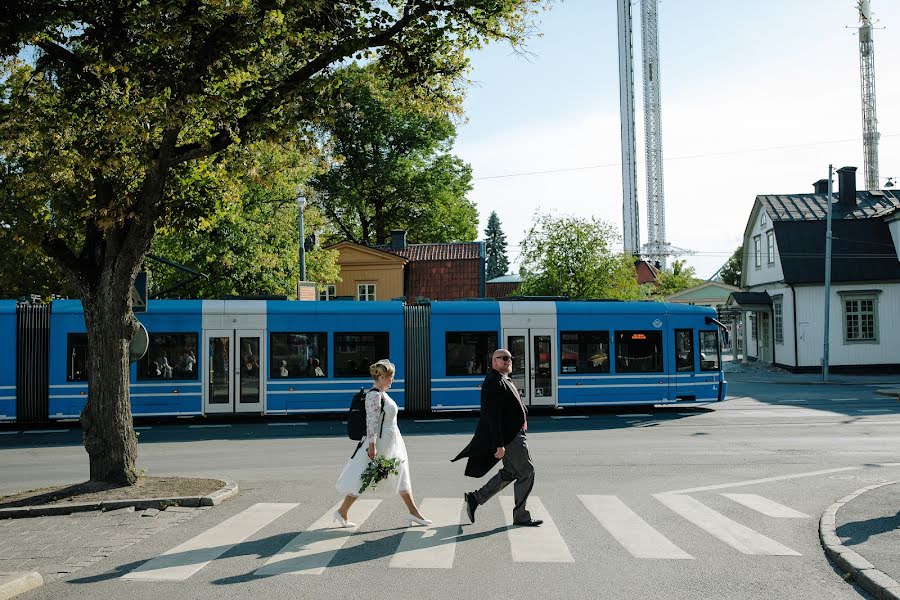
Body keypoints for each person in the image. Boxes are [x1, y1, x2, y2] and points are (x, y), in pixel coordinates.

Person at [334, 359, 431, 528]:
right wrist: (372, 446)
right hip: (380, 443)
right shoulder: (374, 395)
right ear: (382, 377)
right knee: (363, 477)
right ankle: (342, 511)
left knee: (401, 475)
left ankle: (414, 512)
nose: (392, 380)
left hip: (391, 442)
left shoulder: (383, 394)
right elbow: (371, 422)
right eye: (390, 377)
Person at [452, 348, 542, 527]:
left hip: (514, 434)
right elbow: (491, 416)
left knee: (511, 472)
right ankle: (521, 516)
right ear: (494, 361)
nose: (508, 361)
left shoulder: (503, 379)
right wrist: (499, 444)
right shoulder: (493, 381)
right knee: (527, 472)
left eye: (510, 358)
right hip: (510, 437)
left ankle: (475, 498)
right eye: (504, 358)